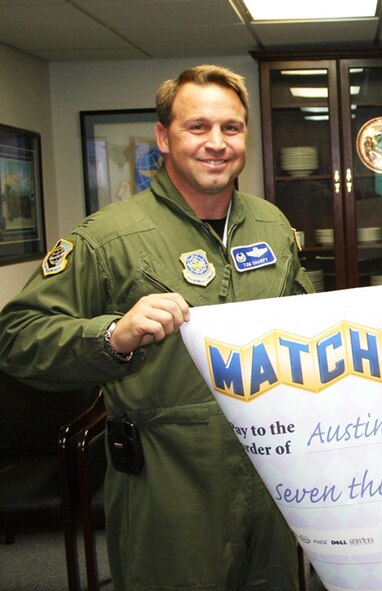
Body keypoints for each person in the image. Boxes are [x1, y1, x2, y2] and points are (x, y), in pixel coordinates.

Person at [0, 65, 313, 589]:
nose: (216, 143)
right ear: (164, 137)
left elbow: (305, 315)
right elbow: (17, 337)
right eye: (198, 127)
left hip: (274, 471)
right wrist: (110, 336)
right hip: (170, 482)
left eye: (231, 128)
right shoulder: (109, 237)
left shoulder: (271, 224)